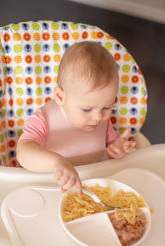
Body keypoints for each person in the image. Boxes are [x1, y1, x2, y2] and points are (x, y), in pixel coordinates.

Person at [17, 41, 136, 197]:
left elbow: (105, 155)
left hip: (92, 188)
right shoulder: (44, 119)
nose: (99, 117)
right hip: (47, 189)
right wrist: (57, 163)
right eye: (87, 109)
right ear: (60, 97)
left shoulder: (102, 119)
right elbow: (23, 152)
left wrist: (115, 150)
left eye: (108, 107)